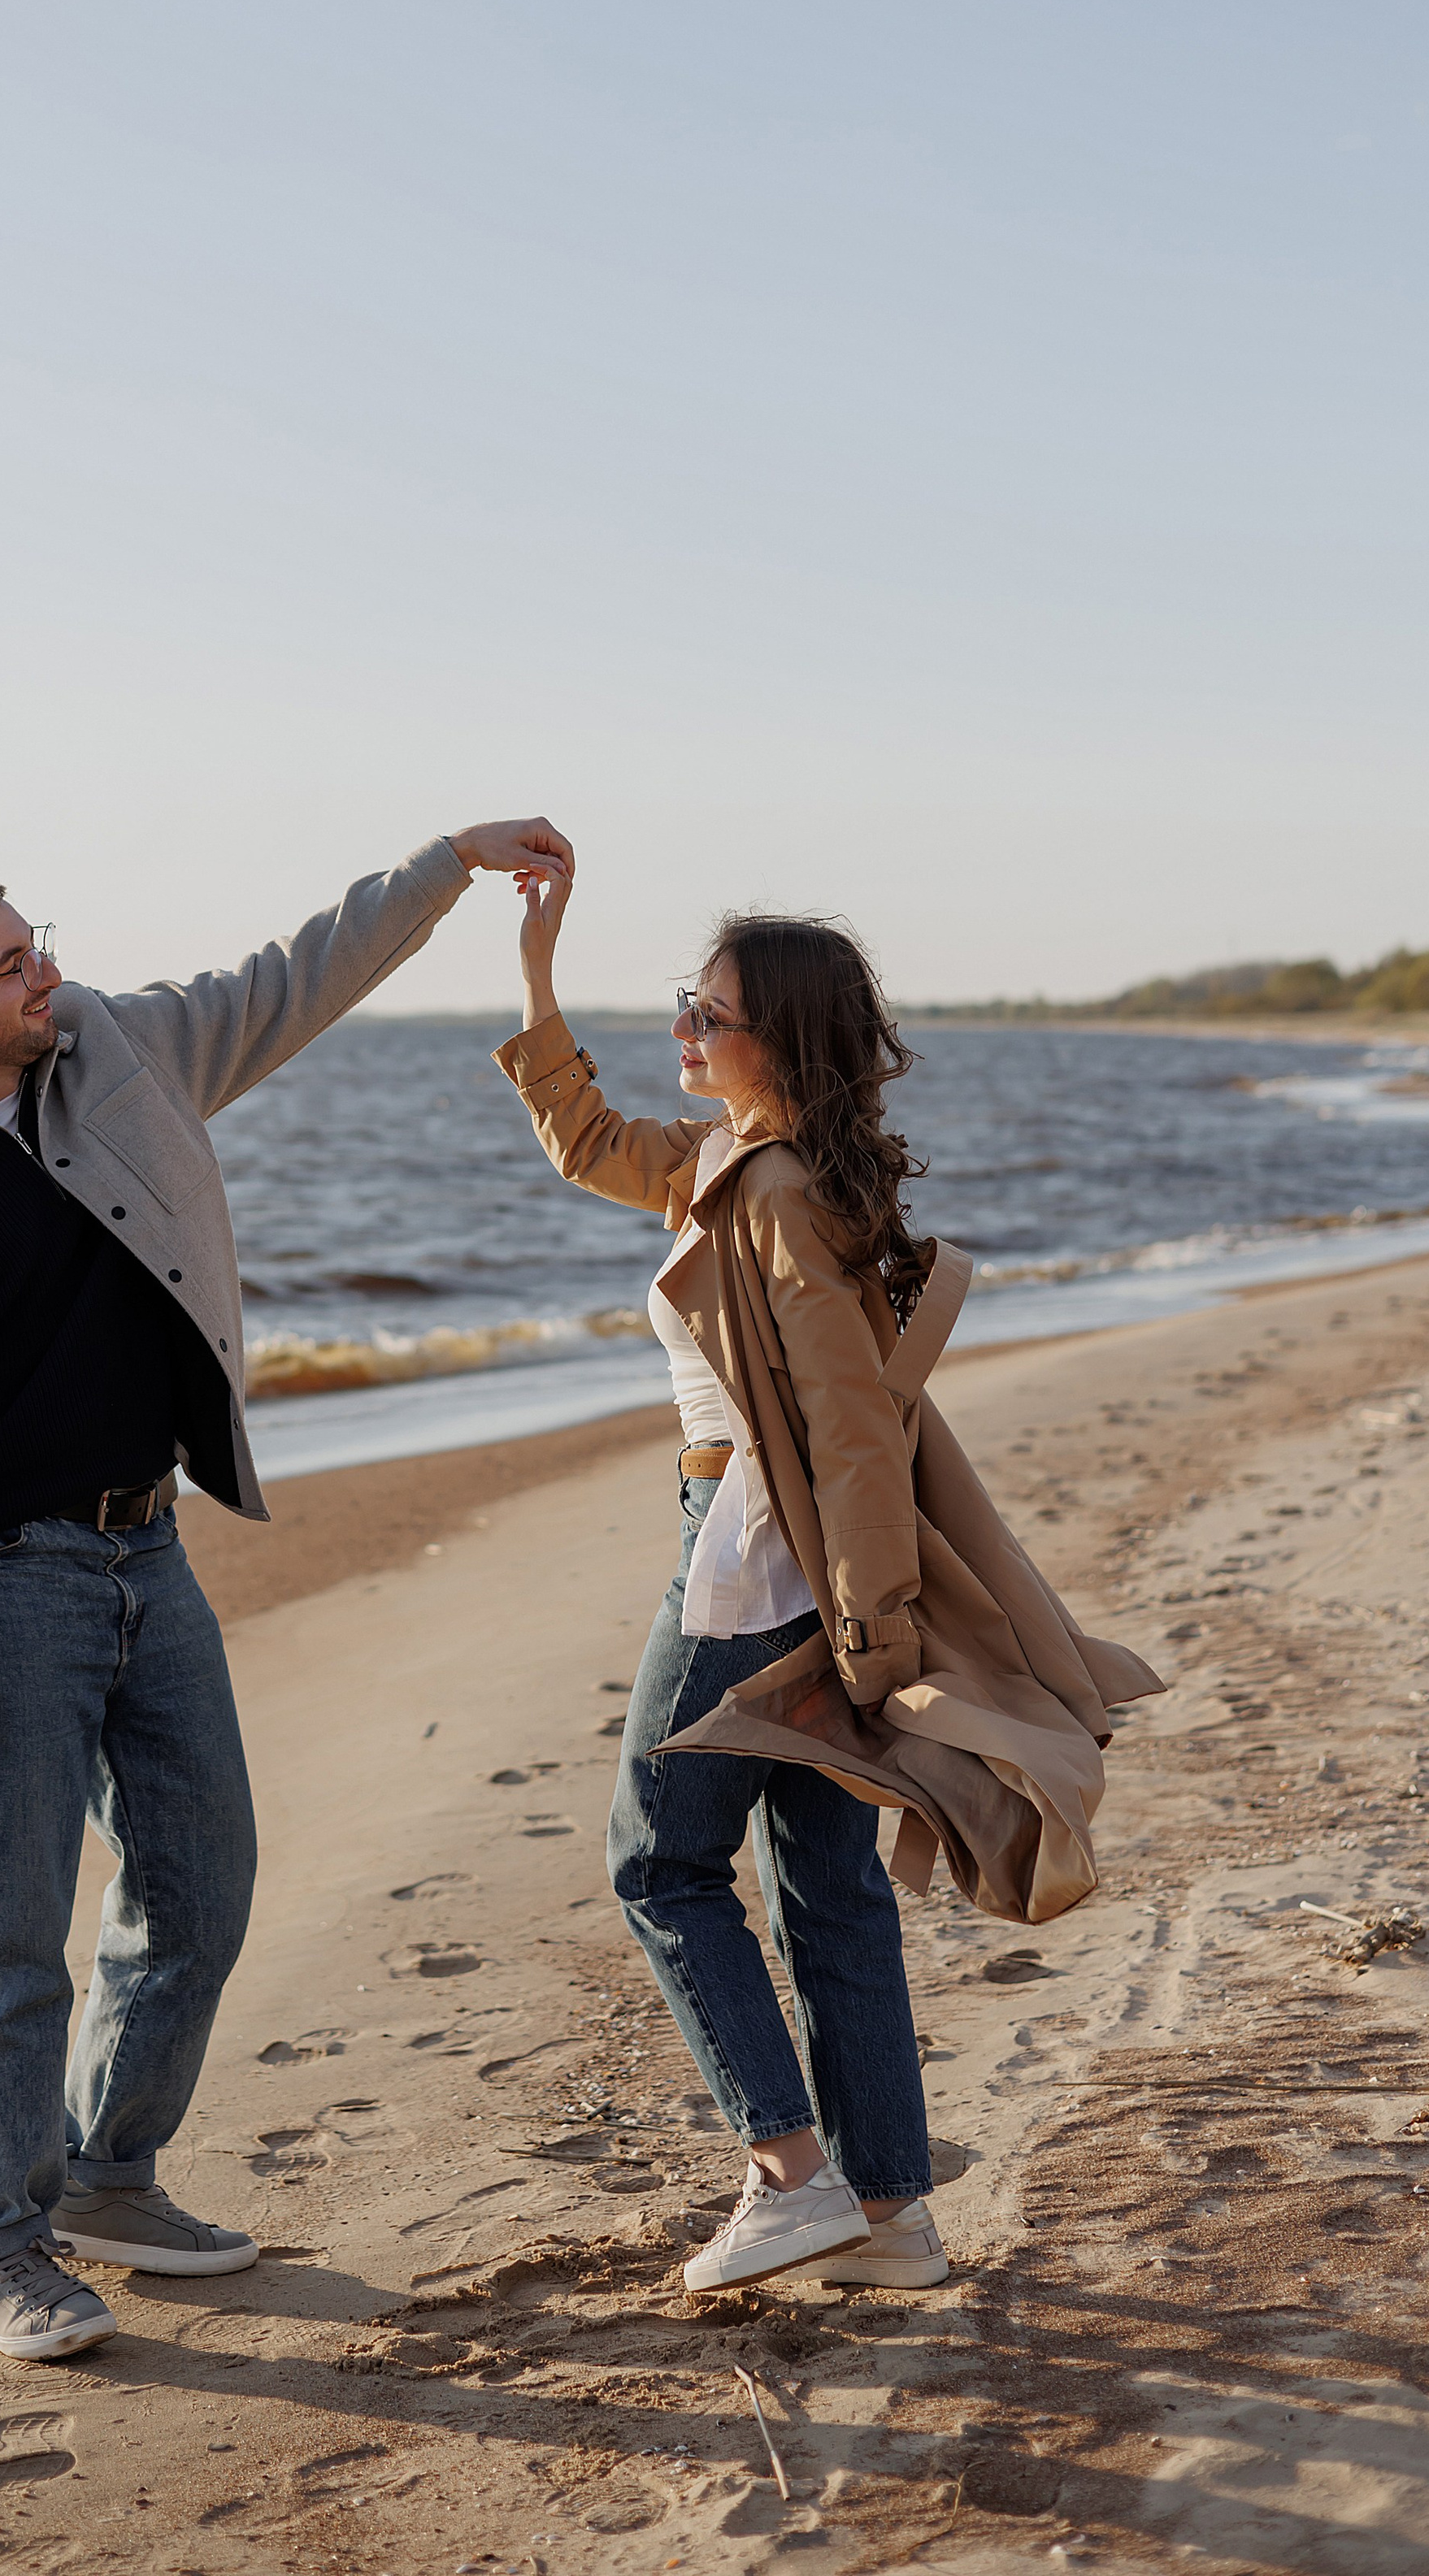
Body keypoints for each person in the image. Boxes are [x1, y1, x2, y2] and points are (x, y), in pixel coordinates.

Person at [0, 817, 571, 2362]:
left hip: (148, 1552)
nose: (47, 973)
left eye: (38, 942)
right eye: (9, 964)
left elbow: (297, 976)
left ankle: (111, 2177)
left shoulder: (124, 1054)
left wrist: (447, 865)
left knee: (202, 1882)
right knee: (7, 1938)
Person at [497, 882, 949, 2295]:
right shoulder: (736, 1160)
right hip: (785, 1549)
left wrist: (872, 1626)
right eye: (683, 1006)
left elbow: (854, 1427)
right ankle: (893, 2221)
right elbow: (585, 1140)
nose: (683, 1028)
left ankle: (790, 2175)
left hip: (755, 1549)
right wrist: (534, 963)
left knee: (659, 1861)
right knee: (823, 1885)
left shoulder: (772, 1196)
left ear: (785, 1041)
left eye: (712, 1014)